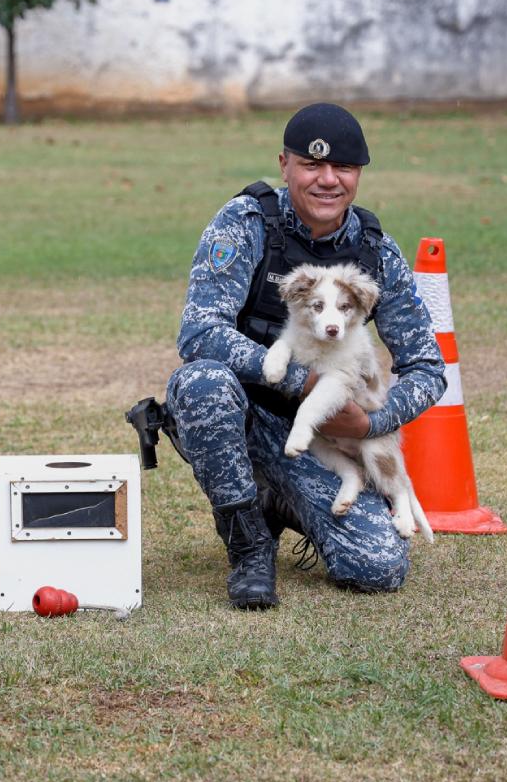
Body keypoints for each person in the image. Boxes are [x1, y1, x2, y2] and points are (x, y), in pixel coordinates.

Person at [166, 102, 445, 609]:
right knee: (202, 383)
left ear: (358, 174)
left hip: (327, 436)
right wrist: (304, 384)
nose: (328, 180)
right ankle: (249, 542)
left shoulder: (376, 251)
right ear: (285, 164)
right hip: (249, 413)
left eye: (343, 168)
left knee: (378, 566)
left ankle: (281, 501)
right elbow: (198, 333)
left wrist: (370, 421)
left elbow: (428, 367)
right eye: (312, 165)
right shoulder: (246, 223)